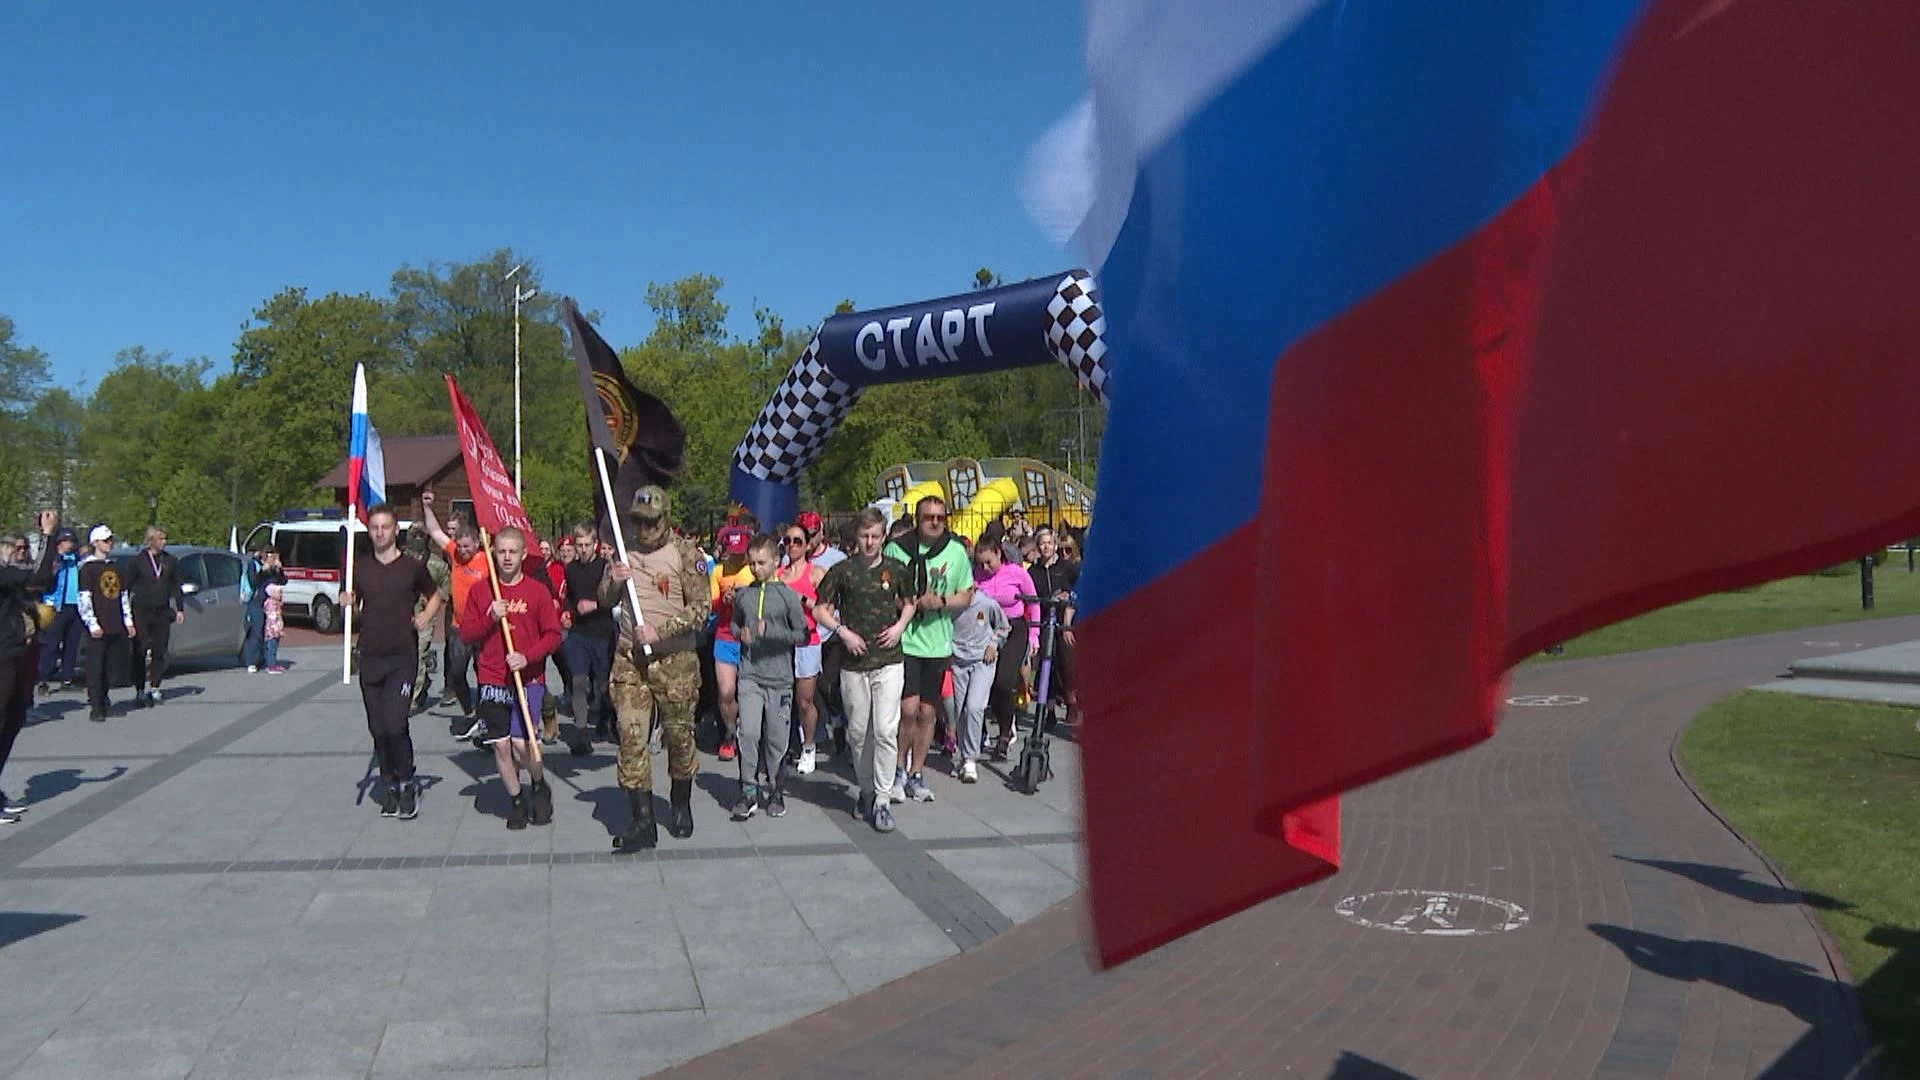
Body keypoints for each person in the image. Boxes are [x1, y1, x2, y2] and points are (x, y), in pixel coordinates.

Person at [603, 486, 711, 850]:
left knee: (680, 738)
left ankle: (680, 803)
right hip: (630, 661)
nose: (644, 529)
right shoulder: (623, 550)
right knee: (631, 737)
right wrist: (612, 580)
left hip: (675, 662)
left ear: (665, 518)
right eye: (638, 522)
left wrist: (660, 631)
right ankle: (642, 820)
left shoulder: (685, 554)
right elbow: (603, 598)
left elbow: (701, 609)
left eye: (650, 522)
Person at [338, 504, 443, 820]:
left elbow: (436, 594)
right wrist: (346, 601)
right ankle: (389, 783)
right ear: (368, 532)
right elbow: (352, 602)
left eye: (385, 527)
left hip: (402, 656)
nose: (380, 533)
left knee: (396, 725)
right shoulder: (361, 568)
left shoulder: (410, 567)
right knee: (378, 728)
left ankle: (408, 782)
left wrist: (426, 615)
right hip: (370, 656)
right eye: (374, 528)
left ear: (395, 530)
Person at [814, 508, 916, 832]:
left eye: (875, 536)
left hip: (888, 659)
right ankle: (866, 790)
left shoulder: (897, 570)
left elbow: (910, 602)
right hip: (854, 663)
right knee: (859, 732)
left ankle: (883, 799)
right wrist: (843, 631)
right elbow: (820, 609)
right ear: (856, 538)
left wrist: (900, 626)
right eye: (864, 536)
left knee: (886, 729)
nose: (870, 542)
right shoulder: (842, 571)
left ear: (883, 537)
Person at [460, 527, 563, 830]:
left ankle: (538, 782)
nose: (506, 557)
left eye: (512, 552)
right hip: (492, 677)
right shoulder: (482, 592)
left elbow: (554, 636)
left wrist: (527, 656)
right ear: (494, 552)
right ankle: (517, 801)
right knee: (501, 745)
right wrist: (489, 618)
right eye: (501, 551)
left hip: (528, 677)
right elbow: (466, 634)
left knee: (522, 743)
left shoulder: (537, 591)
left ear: (522, 555)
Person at [883, 496, 972, 804]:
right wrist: (904, 604)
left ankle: (917, 773)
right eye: (928, 517)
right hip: (906, 639)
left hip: (937, 641)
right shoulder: (897, 549)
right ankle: (897, 770)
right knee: (906, 710)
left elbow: (966, 595)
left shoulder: (956, 552)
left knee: (927, 712)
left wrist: (942, 602)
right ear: (917, 520)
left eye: (940, 517)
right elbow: (885, 587)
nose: (935, 522)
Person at [728, 533, 808, 820]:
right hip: (750, 675)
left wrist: (771, 632)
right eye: (752, 563)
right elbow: (735, 625)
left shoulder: (786, 596)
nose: (756, 568)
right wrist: (742, 634)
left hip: (779, 678)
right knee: (748, 732)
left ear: (776, 561)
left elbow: (803, 634)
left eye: (762, 563)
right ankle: (748, 789)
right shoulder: (745, 594)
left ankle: (776, 788)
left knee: (776, 738)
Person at [1, 512, 61, 823]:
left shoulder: (13, 575)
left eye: (26, 549)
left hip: (18, 651)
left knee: (13, 720)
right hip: (2, 654)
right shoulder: (3, 573)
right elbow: (36, 576)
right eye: (17, 548)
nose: (22, 555)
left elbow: (44, 578)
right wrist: (48, 536)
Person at [420, 491, 488, 738]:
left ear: (477, 544)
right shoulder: (456, 555)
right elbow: (436, 532)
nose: (463, 551)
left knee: (485, 677)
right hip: (459, 628)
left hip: (483, 629)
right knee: (456, 673)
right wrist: (427, 508)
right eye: (459, 546)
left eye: (467, 547)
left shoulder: (486, 561)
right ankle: (469, 711)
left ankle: (485, 718)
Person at [971, 536, 1040, 759]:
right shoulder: (976, 575)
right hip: (987, 630)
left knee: (1004, 681)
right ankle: (995, 726)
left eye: (989, 562)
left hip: (1014, 628)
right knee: (986, 683)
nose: (985, 568)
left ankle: (1004, 733)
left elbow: (1033, 602)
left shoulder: (1017, 573)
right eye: (981, 563)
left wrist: (1034, 636)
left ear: (999, 554)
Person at [948, 576, 1010, 784]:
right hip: (958, 660)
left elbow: (1003, 626)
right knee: (960, 710)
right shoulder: (949, 604)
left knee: (975, 707)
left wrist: (993, 644)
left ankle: (971, 759)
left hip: (983, 660)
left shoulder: (986, 603)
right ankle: (963, 755)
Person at [777, 524, 826, 775]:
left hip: (808, 641)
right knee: (783, 698)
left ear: (807, 544)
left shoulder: (815, 572)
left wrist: (801, 599)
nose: (792, 545)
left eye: (798, 541)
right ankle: (784, 746)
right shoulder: (777, 575)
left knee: (805, 700)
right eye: (788, 541)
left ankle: (809, 745)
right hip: (783, 642)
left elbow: (826, 607)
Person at [562, 521, 614, 756]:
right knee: (579, 682)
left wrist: (595, 604)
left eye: (587, 545)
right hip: (579, 633)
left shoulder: (605, 568)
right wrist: (567, 610)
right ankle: (582, 733)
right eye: (579, 545)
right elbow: (570, 597)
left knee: (603, 685)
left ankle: (603, 719)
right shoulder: (570, 569)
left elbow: (615, 598)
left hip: (602, 632)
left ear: (595, 545)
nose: (582, 549)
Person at [707, 525, 755, 762]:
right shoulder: (717, 571)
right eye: (733, 551)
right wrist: (724, 601)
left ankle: (750, 735)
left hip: (751, 638)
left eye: (741, 551)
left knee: (748, 693)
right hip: (725, 636)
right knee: (726, 691)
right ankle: (729, 732)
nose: (737, 556)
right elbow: (711, 605)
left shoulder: (756, 570)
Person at [125, 525, 186, 708]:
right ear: (151, 540)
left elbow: (176, 586)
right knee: (140, 649)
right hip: (141, 611)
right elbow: (127, 586)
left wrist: (180, 608)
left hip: (161, 610)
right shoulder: (138, 560)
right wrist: (126, 613)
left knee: (160, 650)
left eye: (165, 539)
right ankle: (139, 690)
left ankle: (155, 686)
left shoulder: (170, 561)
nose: (164, 542)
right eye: (160, 539)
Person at [76, 525, 132, 722]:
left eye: (111, 540)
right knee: (96, 666)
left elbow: (123, 596)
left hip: (115, 623)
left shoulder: (115, 567)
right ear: (95, 543)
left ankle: (105, 699)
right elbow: (84, 598)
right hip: (98, 626)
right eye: (106, 540)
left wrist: (128, 621)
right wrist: (92, 623)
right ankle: (96, 705)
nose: (109, 544)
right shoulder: (88, 569)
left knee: (110, 666)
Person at [35, 527, 81, 694]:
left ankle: (67, 679)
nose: (69, 544)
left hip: (74, 605)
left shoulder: (77, 560)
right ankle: (43, 680)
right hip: (56, 606)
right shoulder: (54, 560)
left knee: (71, 645)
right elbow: (45, 578)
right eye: (66, 541)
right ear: (59, 543)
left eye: (71, 541)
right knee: (51, 645)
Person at [262, 582, 287, 672]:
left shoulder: (277, 603)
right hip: (272, 631)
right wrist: (277, 630)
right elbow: (272, 619)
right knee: (271, 648)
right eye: (279, 593)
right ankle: (271, 666)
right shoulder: (272, 604)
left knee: (274, 648)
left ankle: (273, 664)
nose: (281, 595)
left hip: (276, 629)